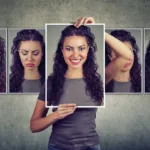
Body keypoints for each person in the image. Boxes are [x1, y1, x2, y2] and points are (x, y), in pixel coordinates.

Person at [30, 19, 103, 150]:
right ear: (62, 51)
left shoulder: (98, 81)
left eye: (81, 48)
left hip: (90, 146)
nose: (75, 55)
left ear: (88, 50)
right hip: (58, 146)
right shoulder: (52, 82)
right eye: (69, 49)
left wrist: (100, 28)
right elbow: (34, 126)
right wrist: (56, 115)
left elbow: (127, 57)